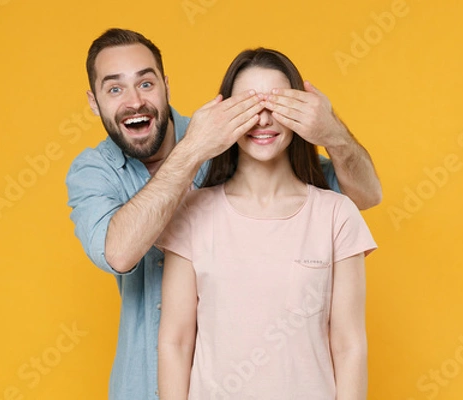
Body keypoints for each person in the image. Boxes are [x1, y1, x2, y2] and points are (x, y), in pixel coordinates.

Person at [66, 28, 381, 399]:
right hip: (144, 383)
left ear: (166, 85)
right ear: (94, 101)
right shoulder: (97, 171)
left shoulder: (240, 142)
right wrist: (195, 149)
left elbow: (362, 194)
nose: (135, 101)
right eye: (114, 88)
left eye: (146, 83)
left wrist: (333, 133)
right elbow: (118, 253)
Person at [156, 48, 377, 400]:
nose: (263, 121)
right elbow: (176, 341)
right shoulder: (192, 213)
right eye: (248, 107)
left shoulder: (337, 215)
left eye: (277, 105)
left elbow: (349, 346)